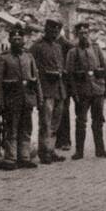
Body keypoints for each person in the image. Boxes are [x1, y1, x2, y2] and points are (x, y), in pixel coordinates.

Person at [0, 27, 40, 170]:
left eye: (20, 39)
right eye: (14, 39)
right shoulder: (4, 57)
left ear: (24, 40)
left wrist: (39, 99)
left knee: (26, 129)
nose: (17, 41)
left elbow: (36, 79)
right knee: (11, 130)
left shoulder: (28, 56)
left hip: (27, 99)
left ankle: (24, 157)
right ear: (10, 40)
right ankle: (11, 158)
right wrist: (0, 102)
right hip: (12, 100)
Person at [65, 22, 106, 159]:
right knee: (81, 121)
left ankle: (100, 150)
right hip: (82, 92)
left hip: (98, 89)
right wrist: (74, 93)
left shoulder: (96, 49)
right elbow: (70, 75)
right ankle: (79, 151)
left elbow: (105, 69)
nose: (84, 35)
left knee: (98, 120)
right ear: (77, 35)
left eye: (86, 33)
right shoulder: (73, 52)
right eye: (81, 33)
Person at [31, 18, 67, 164]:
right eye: (52, 30)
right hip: (45, 90)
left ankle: (51, 150)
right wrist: (45, 74)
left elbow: (61, 65)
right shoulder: (37, 47)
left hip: (58, 89)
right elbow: (32, 66)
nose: (54, 33)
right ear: (46, 30)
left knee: (55, 123)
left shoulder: (58, 47)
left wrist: (60, 72)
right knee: (45, 123)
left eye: (57, 30)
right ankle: (44, 152)